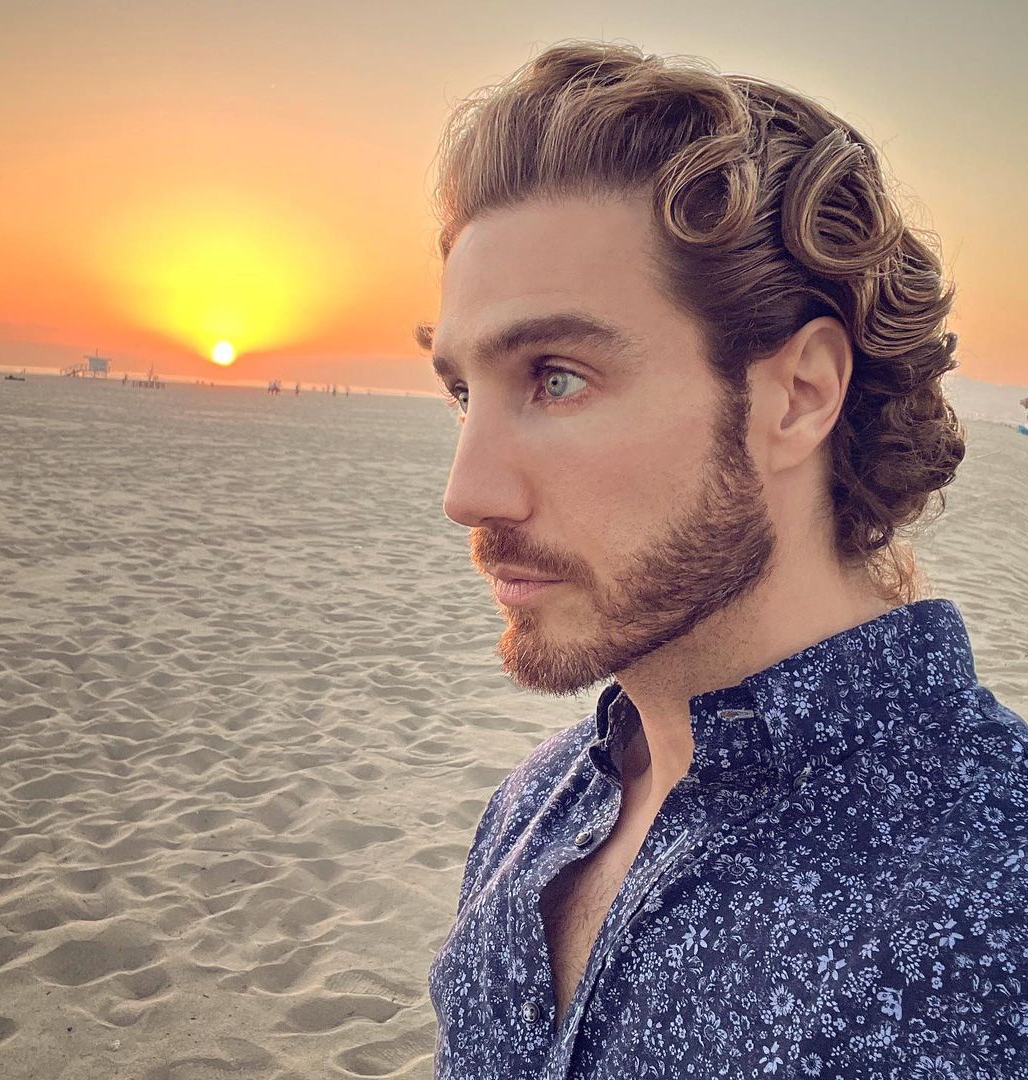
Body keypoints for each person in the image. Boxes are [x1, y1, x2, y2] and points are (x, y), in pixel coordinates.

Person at [415, 40, 1028, 1078]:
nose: (466, 494)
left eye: (556, 378)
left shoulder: (993, 914)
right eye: (464, 394)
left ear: (799, 395)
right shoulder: (536, 806)